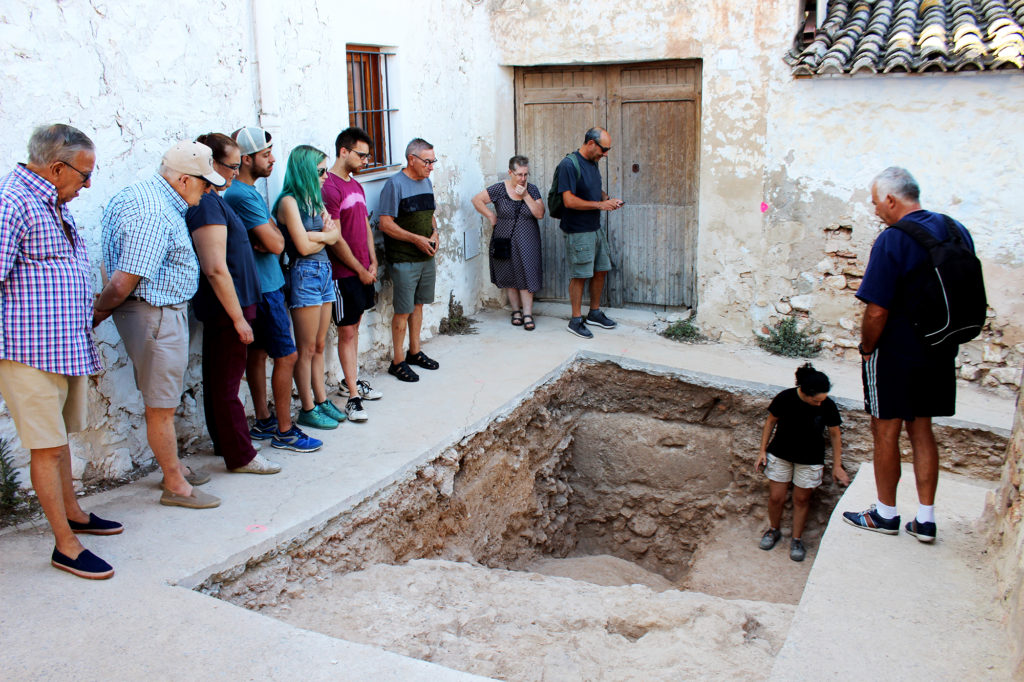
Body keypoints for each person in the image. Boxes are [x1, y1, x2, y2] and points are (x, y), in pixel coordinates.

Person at [0, 124, 121, 579]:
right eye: (83, 175)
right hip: (27, 349)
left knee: (60, 440)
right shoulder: (12, 202)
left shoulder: (51, 199)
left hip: (60, 344)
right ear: (55, 168)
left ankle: (73, 513)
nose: (87, 185)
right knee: (46, 447)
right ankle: (64, 547)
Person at [93, 141, 232, 509]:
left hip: (157, 312)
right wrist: (96, 315)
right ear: (185, 180)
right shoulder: (153, 212)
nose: (209, 191)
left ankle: (173, 468)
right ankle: (174, 485)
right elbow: (124, 280)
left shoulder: (146, 195)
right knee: (161, 405)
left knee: (162, 399)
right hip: (155, 313)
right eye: (205, 183)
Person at [842, 167, 976, 543]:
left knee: (885, 429)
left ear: (890, 199)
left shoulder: (892, 240)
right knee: (922, 429)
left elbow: (877, 310)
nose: (874, 211)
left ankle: (885, 514)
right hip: (940, 345)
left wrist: (868, 349)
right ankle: (926, 520)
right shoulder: (954, 229)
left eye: (874, 202)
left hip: (898, 349)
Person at [224, 127, 321, 453]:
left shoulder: (246, 193)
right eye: (266, 154)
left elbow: (272, 242)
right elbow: (277, 242)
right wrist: (272, 240)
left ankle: (265, 418)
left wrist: (270, 240)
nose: (273, 159)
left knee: (260, 353)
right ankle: (283, 429)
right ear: (246, 159)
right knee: (287, 354)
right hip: (266, 287)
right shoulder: (242, 195)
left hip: (263, 283)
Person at [185, 133, 267, 471]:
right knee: (227, 384)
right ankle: (241, 455)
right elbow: (216, 267)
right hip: (227, 306)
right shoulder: (205, 204)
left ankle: (227, 444)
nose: (236, 172)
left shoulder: (213, 198)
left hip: (235, 302)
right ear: (211, 164)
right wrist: (238, 317)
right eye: (231, 165)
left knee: (221, 379)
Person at [273, 145, 345, 429]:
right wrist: (325, 236)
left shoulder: (314, 200)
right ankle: (306, 407)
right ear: (305, 171)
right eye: (321, 171)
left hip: (324, 271)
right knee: (305, 349)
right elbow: (301, 246)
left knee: (319, 344)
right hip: (304, 274)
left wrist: (322, 236)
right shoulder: (289, 202)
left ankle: (321, 399)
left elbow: (336, 235)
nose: (326, 176)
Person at [756, 363, 848, 562]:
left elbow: (835, 435)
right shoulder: (785, 398)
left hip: (810, 459)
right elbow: (770, 422)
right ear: (806, 393)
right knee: (776, 497)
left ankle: (796, 540)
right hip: (780, 455)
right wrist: (762, 450)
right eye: (815, 401)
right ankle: (774, 530)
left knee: (802, 500)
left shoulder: (827, 405)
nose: (818, 404)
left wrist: (837, 465)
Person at [322, 127, 383, 422]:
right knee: (346, 332)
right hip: (343, 274)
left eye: (368, 156)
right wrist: (359, 270)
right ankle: (353, 398)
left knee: (354, 330)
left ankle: (351, 382)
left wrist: (372, 261)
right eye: (361, 154)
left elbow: (365, 228)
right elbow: (334, 238)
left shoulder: (355, 186)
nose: (365, 160)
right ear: (343, 151)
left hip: (362, 271)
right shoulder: (329, 187)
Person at [378, 138, 442, 382]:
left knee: (419, 305)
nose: (431, 166)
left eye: (433, 161)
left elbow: (431, 216)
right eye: (427, 161)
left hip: (426, 256)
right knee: (403, 311)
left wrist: (435, 234)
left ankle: (415, 352)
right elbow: (385, 223)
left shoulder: (426, 181)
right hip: (404, 259)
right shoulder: (394, 185)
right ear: (411, 159)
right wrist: (415, 239)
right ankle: (397, 362)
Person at [556, 127, 624, 339]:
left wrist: (608, 199)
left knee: (601, 270)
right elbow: (569, 200)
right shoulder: (568, 165)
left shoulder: (593, 163)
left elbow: (596, 190)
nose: (605, 154)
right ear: (591, 143)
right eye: (604, 149)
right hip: (578, 230)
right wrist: (600, 205)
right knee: (580, 275)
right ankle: (576, 320)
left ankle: (594, 312)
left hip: (594, 228)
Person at [471, 155, 545, 331]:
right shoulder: (499, 189)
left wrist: (525, 195)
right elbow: (476, 200)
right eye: (519, 174)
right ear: (510, 172)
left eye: (526, 174)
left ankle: (527, 313)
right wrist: (490, 216)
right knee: (509, 272)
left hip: (528, 238)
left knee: (528, 272)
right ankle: (516, 311)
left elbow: (540, 213)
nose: (523, 178)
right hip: (504, 237)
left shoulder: (532, 190)